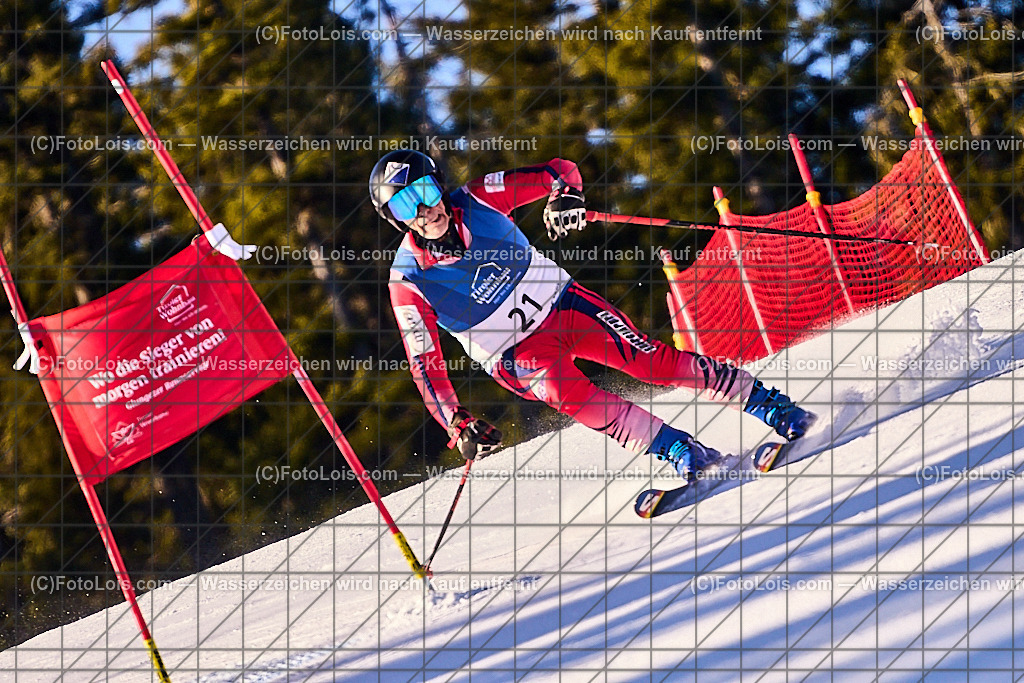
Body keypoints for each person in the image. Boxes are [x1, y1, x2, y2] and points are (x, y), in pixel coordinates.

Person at [370, 150, 814, 479]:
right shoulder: (407, 282)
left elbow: (558, 172)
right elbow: (424, 363)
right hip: (516, 355)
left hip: (565, 306)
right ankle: (679, 449)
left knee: (651, 363)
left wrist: (565, 196)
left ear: (440, 186)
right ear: (396, 220)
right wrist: (455, 420)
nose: (425, 210)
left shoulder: (480, 198)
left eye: (426, 192)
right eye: (407, 205)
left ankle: (771, 405)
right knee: (569, 394)